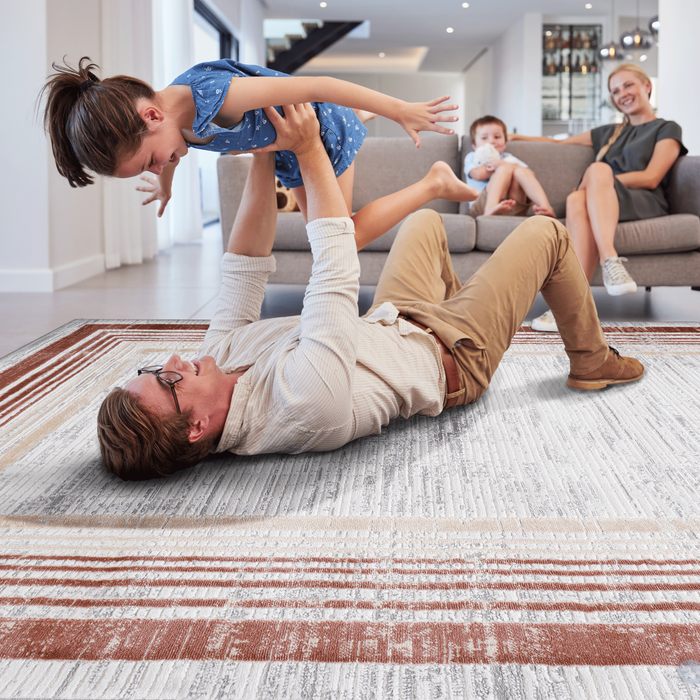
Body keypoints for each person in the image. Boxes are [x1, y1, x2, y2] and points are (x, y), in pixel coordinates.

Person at [97, 102, 644, 482]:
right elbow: (334, 269)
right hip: (453, 356)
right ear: (196, 428)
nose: (172, 360)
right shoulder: (302, 405)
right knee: (547, 233)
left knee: (424, 226)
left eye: (151, 368)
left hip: (394, 319)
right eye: (165, 380)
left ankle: (467, 300)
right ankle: (592, 361)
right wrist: (308, 152)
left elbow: (243, 268)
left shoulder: (212, 364)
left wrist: (265, 150)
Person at [40, 57, 458, 249]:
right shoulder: (172, 122)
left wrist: (400, 109)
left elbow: (319, 86)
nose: (163, 164)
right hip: (285, 152)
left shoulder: (220, 96)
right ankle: (357, 118)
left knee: (340, 240)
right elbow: (173, 153)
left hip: (318, 135)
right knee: (331, 236)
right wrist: (164, 185)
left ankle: (433, 181)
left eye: (152, 161)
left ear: (151, 116)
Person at [510, 64, 687, 333]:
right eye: (615, 91)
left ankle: (610, 260)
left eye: (628, 85)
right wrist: (514, 137)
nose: (622, 94)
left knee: (598, 170)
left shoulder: (667, 128)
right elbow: (558, 143)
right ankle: (571, 304)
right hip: (601, 199)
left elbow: (651, 176)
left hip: (643, 200)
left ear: (646, 86)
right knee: (574, 200)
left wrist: (599, 181)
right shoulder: (609, 132)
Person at [464, 115, 557, 218]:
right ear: (474, 145)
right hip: (482, 207)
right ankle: (491, 206)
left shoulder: (508, 158)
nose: (491, 141)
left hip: (513, 206)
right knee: (504, 169)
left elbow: (529, 174)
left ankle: (546, 206)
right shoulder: (472, 157)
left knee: (519, 171)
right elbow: (477, 174)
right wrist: (497, 165)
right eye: (484, 138)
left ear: (505, 143)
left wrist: (504, 164)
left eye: (497, 137)